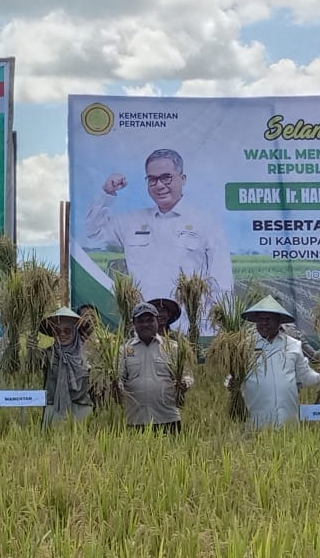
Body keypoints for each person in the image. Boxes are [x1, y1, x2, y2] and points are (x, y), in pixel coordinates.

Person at [85, 149, 233, 332]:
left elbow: (221, 284)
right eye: (152, 179)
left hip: (190, 330)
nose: (159, 185)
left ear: (183, 178)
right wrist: (106, 193)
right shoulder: (132, 222)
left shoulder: (206, 224)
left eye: (166, 177)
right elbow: (94, 231)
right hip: (144, 331)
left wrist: (214, 331)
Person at [239, 295, 320, 429]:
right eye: (260, 319)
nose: (264, 323)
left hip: (287, 419)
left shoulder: (293, 345)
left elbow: (306, 377)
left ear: (279, 321)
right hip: (256, 420)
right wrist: (231, 384)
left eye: (268, 319)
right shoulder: (245, 346)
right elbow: (234, 376)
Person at [118, 302, 193, 433]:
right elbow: (119, 377)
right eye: (140, 321)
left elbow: (188, 375)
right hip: (135, 418)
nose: (145, 324)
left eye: (150, 320)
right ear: (133, 324)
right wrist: (115, 387)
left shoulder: (173, 348)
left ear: (157, 321)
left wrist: (185, 383)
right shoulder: (124, 350)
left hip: (168, 417)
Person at [39, 307, 92, 427]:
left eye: (67, 331)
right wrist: (30, 349)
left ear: (75, 332)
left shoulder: (88, 355)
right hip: (54, 409)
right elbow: (27, 367)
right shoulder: (47, 354)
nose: (62, 334)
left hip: (81, 409)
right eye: (57, 331)